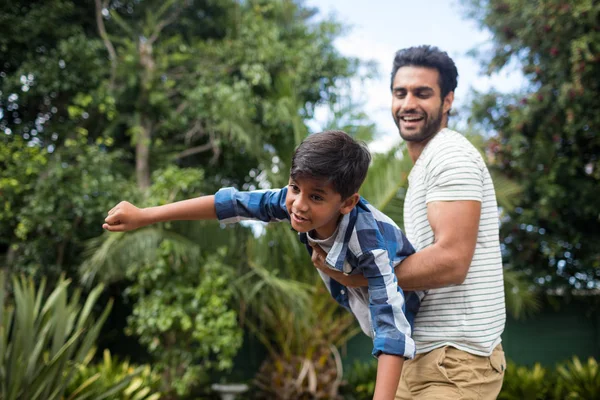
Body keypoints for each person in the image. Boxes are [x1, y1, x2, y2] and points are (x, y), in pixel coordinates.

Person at [102, 130, 421, 400]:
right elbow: (230, 204)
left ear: (348, 202)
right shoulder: (292, 201)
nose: (298, 205)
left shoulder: (368, 244)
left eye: (317, 198)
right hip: (366, 307)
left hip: (415, 317)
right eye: (296, 188)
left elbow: (392, 327)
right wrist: (145, 215)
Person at [311, 46, 507, 399]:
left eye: (422, 93)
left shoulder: (451, 155)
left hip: (455, 361)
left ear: (447, 101)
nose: (408, 103)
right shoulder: (425, 165)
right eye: (400, 93)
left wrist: (357, 278)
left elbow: (451, 261)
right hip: (419, 356)